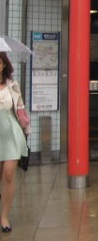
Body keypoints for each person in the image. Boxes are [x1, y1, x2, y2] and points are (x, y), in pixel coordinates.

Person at [0, 52, 30, 233]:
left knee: (9, 174)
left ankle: (4, 216)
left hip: (11, 133)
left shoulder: (12, 85)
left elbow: (21, 110)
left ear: (4, 65)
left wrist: (27, 131)